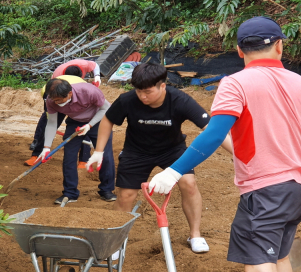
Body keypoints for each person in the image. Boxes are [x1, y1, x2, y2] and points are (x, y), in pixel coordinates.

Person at [148, 16, 301, 271]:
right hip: (297, 189)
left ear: (239, 50)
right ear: (279, 46)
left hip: (263, 190)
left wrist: (174, 170)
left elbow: (214, 134)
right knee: (280, 257)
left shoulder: (235, 84)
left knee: (259, 262)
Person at [87, 63, 233, 253]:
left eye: (147, 92)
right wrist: (98, 151)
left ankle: (195, 235)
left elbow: (212, 129)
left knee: (189, 184)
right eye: (139, 91)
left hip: (172, 150)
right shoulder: (127, 100)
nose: (142, 96)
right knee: (125, 195)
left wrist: (240, 155)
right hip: (136, 151)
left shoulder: (180, 100)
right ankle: (116, 242)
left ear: (162, 86)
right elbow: (108, 119)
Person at [38, 78, 116, 204]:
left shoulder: (89, 91)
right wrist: (46, 147)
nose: (56, 102)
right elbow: (52, 123)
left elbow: (106, 108)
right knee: (69, 156)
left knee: (105, 155)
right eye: (54, 100)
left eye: (59, 100)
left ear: (69, 94)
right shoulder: (51, 100)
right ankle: (70, 193)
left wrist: (89, 125)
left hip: (98, 121)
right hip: (74, 122)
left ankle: (106, 190)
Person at [25, 69, 94, 167]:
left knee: (82, 127)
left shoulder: (83, 87)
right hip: (57, 100)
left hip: (77, 102)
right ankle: (37, 154)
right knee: (48, 124)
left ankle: (84, 160)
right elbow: (49, 115)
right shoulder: (49, 90)